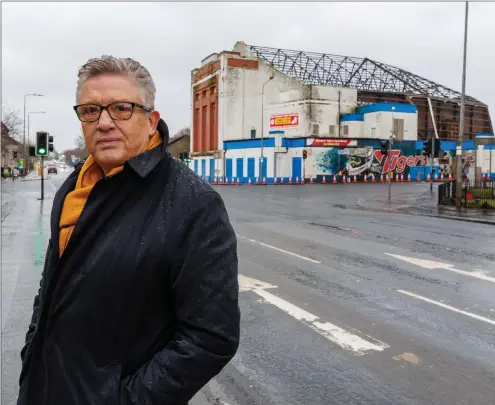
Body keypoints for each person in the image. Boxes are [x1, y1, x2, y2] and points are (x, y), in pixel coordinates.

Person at [17, 55, 240, 405]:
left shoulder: (193, 204)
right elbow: (52, 284)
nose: (104, 123)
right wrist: (32, 352)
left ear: (151, 121)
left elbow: (211, 337)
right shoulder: (73, 188)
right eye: (90, 111)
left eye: (121, 108)